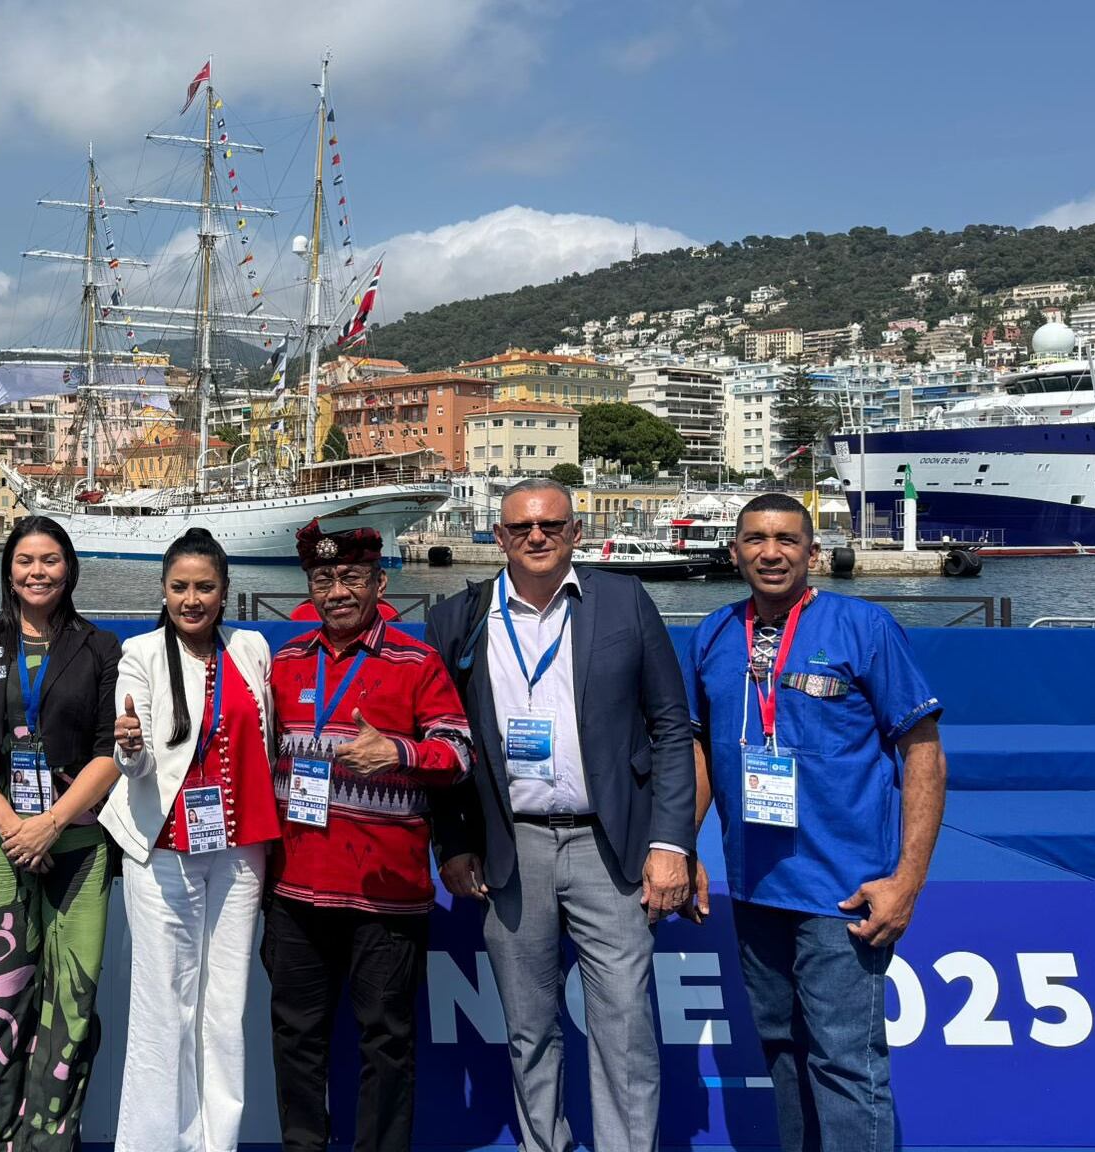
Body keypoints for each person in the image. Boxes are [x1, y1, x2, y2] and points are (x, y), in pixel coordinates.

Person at [426, 478, 695, 1152]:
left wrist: (672, 843)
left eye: (551, 525)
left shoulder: (625, 601)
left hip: (611, 849)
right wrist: (454, 841)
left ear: (576, 531)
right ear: (500, 538)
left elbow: (670, 728)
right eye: (521, 528)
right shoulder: (456, 617)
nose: (537, 537)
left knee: (626, 1028)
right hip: (511, 849)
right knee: (528, 1031)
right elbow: (443, 738)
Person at [681, 493, 945, 1152]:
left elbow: (924, 755)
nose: (771, 553)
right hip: (753, 888)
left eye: (788, 540)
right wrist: (682, 848)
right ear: (735, 549)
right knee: (780, 1053)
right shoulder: (713, 635)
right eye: (756, 539)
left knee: (847, 1066)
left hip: (844, 892)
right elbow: (700, 754)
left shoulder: (864, 627)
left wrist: (907, 880)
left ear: (812, 552)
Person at [261, 518, 473, 1152]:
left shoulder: (418, 662)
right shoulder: (284, 663)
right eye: (323, 579)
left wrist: (401, 753)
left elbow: (459, 753)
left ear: (380, 582)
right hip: (296, 891)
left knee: (387, 1042)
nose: (337, 591)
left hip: (388, 895)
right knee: (295, 1038)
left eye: (351, 577)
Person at [0, 515, 122, 1152]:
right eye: (25, 561)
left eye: (49, 560)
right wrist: (10, 823)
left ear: (68, 569)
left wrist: (49, 823)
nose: (37, 572)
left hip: (78, 844)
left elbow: (110, 752)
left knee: (71, 1002)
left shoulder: (101, 649)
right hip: (1, 840)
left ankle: (50, 1140)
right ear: (8, 572)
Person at [101, 528, 279, 1152]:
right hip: (163, 850)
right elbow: (140, 758)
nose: (192, 599)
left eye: (205, 587)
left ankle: (216, 1142)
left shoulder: (252, 647)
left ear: (226, 592)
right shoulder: (141, 654)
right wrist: (128, 748)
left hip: (240, 851)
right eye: (180, 587)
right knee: (162, 1007)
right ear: (164, 592)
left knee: (225, 1009)